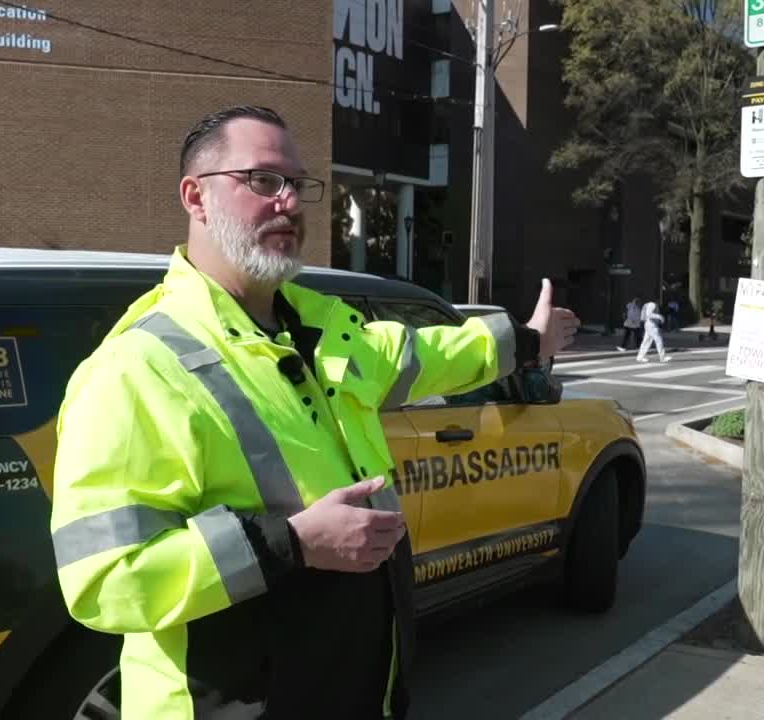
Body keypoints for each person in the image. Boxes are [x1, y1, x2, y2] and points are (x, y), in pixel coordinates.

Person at [48, 105, 580, 720]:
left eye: (297, 185)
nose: (289, 203)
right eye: (263, 181)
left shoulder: (325, 326)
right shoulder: (135, 368)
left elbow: (428, 353)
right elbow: (104, 581)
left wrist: (526, 339)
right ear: (195, 197)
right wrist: (294, 543)